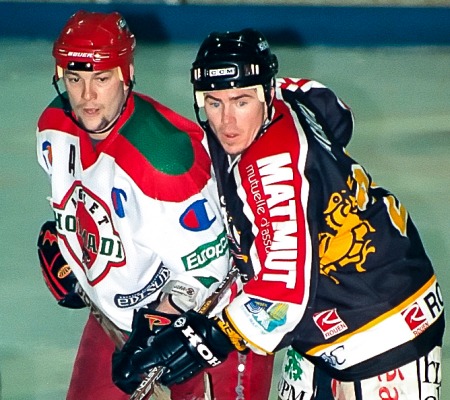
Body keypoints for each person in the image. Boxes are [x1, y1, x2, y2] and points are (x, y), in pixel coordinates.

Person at [113, 28, 445, 399]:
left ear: (266, 93)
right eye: (214, 102)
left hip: (384, 328)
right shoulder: (287, 96)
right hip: (326, 322)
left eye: (241, 102)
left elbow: (282, 298)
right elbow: (336, 114)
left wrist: (204, 340)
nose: (227, 122)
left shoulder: (272, 173)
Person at [36, 12, 274, 400]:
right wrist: (70, 248)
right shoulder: (53, 128)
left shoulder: (164, 161)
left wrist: (158, 325)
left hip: (213, 329)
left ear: (126, 75)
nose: (87, 96)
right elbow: (89, 205)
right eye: (75, 79)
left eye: (101, 79)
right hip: (117, 318)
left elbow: (210, 269)